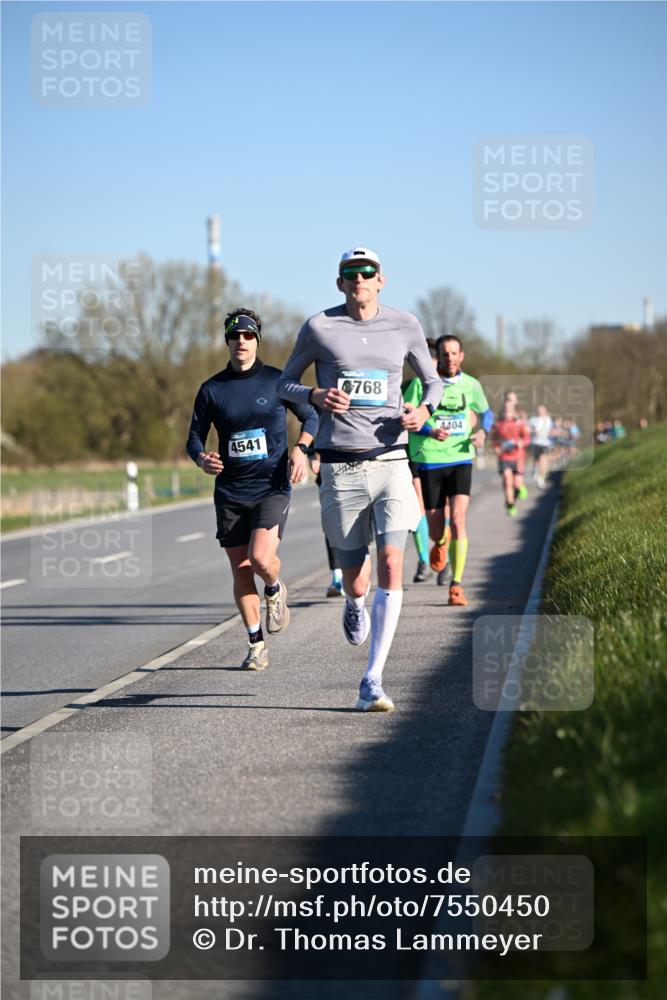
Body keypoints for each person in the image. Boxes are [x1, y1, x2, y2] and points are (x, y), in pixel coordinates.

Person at [277, 247, 442, 712]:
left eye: (367, 273)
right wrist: (314, 393)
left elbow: (433, 382)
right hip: (341, 466)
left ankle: (373, 679)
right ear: (340, 283)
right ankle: (354, 602)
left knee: (392, 563)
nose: (359, 280)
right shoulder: (319, 327)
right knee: (357, 578)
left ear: (381, 280)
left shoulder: (405, 324)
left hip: (391, 459)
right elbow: (283, 383)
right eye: (350, 274)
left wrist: (423, 410)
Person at [187, 308, 318, 670]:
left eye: (247, 336)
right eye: (235, 336)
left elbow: (311, 416)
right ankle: (255, 644)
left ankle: (275, 589)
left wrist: (301, 448)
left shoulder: (278, 381)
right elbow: (194, 438)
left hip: (271, 486)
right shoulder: (212, 389)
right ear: (227, 341)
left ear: (256, 340)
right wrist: (202, 460)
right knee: (241, 568)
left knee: (261, 558)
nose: (241, 342)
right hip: (230, 491)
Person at [403, 334, 493, 606]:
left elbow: (486, 413)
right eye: (445, 354)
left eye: (455, 353)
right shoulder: (422, 384)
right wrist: (430, 430)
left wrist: (483, 433)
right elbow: (406, 412)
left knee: (459, 519)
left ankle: (456, 585)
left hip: (461, 458)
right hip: (430, 459)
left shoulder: (471, 385)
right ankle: (441, 540)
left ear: (461, 356)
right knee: (435, 529)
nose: (450, 358)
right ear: (438, 357)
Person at [402, 338, 440, 584]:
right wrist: (428, 431)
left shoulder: (458, 385)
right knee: (418, 510)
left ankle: (442, 554)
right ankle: (425, 560)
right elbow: (406, 418)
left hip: (447, 459)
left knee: (440, 512)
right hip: (415, 455)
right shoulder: (411, 385)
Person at [308, 446, 344, 597]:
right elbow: (310, 424)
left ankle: (356, 573)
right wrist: (312, 455)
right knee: (331, 523)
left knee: (355, 523)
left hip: (354, 467)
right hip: (327, 471)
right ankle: (337, 577)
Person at [491, 400, 531, 515]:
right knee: (507, 481)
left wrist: (521, 443)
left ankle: (515, 494)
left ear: (514, 411)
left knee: (517, 484)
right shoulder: (498, 425)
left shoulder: (520, 423)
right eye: (505, 408)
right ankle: (510, 505)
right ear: (502, 410)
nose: (507, 410)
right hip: (504, 457)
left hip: (518, 457)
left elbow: (527, 439)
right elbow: (494, 440)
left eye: (510, 408)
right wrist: (496, 448)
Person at [529, 403, 553, 488]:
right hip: (536, 443)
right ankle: (535, 470)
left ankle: (541, 479)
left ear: (545, 410)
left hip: (545, 443)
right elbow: (527, 429)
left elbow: (550, 430)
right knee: (536, 460)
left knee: (544, 460)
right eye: (539, 409)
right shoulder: (533, 419)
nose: (540, 411)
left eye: (542, 409)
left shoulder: (548, 420)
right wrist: (532, 431)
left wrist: (552, 433)